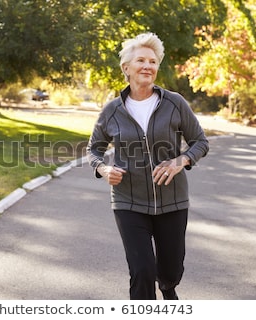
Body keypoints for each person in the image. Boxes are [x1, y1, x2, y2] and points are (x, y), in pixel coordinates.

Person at [87, 32, 209, 300]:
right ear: (126, 68)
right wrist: (103, 169)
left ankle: (168, 287)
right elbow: (93, 149)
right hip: (128, 202)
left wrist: (182, 160)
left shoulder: (174, 103)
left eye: (153, 61)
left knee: (170, 271)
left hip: (172, 202)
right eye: (141, 60)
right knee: (141, 271)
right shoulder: (112, 110)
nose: (147, 66)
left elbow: (200, 142)